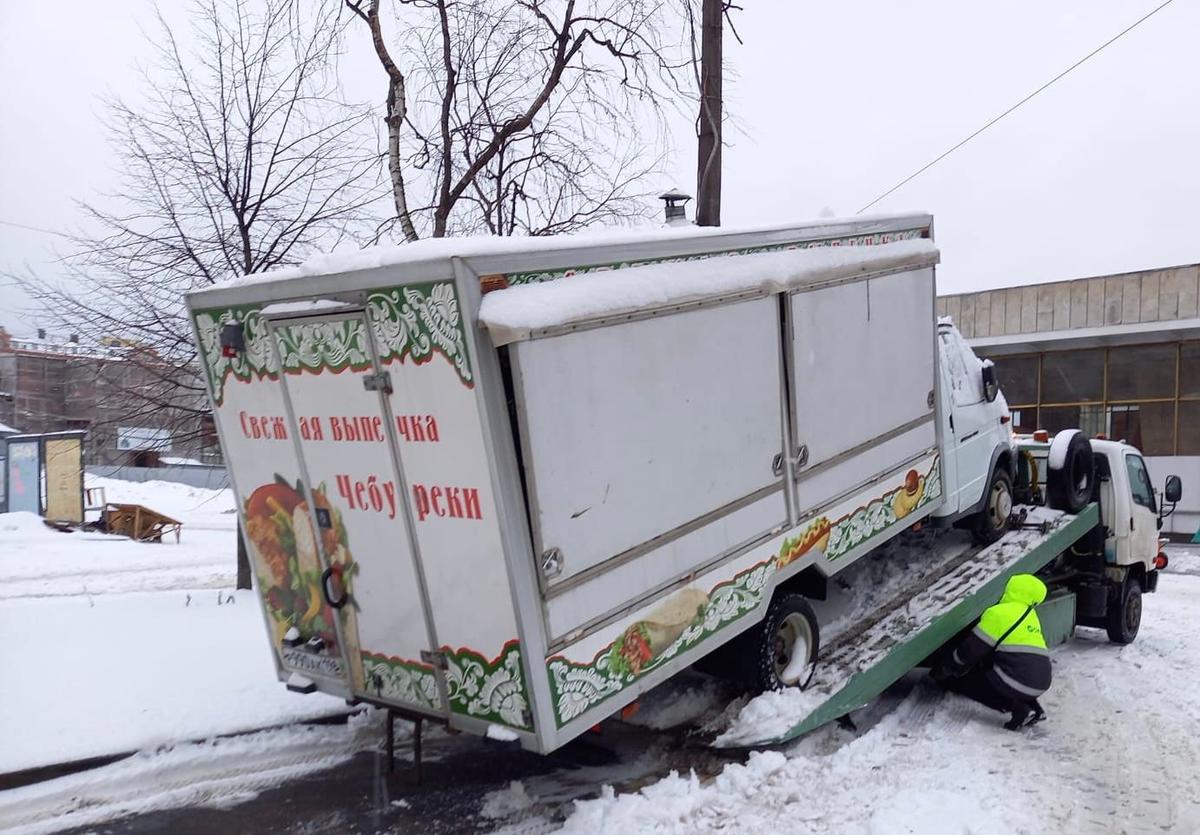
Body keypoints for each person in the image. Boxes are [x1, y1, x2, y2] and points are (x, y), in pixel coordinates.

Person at [934, 573, 1052, 730]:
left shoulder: (998, 613)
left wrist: (948, 667)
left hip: (1019, 680)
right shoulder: (1031, 615)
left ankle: (1019, 709)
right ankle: (1035, 709)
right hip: (1041, 681)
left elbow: (971, 650)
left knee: (966, 680)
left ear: (1011, 589)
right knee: (1004, 672)